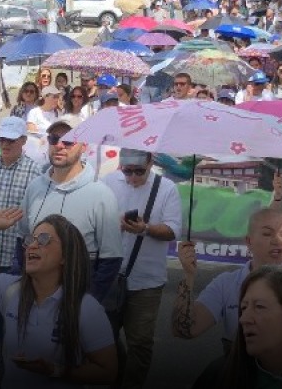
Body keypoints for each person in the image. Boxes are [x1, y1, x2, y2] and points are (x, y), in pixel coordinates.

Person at [0, 211, 118, 386]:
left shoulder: (86, 308)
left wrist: (56, 370)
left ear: (66, 255)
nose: (31, 246)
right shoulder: (10, 290)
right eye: (30, 239)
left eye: (43, 239)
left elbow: (108, 372)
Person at [173, 209, 282, 354]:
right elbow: (186, 329)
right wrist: (188, 276)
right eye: (267, 234)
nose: (277, 241)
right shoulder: (226, 284)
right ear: (249, 241)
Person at [19, 118, 124, 302]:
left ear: (84, 146)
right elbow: (22, 241)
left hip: (77, 300)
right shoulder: (34, 187)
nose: (60, 145)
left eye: (68, 141)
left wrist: (87, 303)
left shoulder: (101, 195)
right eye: (54, 139)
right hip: (34, 299)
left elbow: (111, 259)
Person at [103, 149, 182, 389]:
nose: (133, 177)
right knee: (104, 338)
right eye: (127, 171)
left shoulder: (166, 188)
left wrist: (145, 229)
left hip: (147, 281)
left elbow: (173, 230)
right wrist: (112, 223)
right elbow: (94, 221)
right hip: (109, 276)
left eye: (139, 171)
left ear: (150, 162)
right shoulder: (107, 183)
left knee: (140, 343)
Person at [0, 117, 46, 274]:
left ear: (23, 140)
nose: (5, 144)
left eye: (11, 140)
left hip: (15, 259)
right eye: (2, 139)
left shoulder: (35, 172)